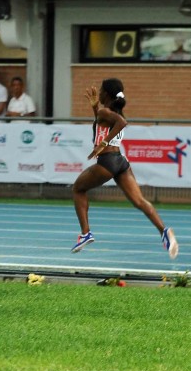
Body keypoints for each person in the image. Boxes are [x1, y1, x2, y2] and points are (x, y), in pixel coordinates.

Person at [71, 79, 179, 259]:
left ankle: (85, 233)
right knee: (139, 201)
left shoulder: (108, 113)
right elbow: (103, 124)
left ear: (107, 94)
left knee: (78, 189)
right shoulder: (110, 112)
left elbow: (121, 123)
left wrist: (102, 144)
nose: (99, 92)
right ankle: (164, 231)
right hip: (120, 162)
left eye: (101, 90)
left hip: (107, 162)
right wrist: (95, 108)